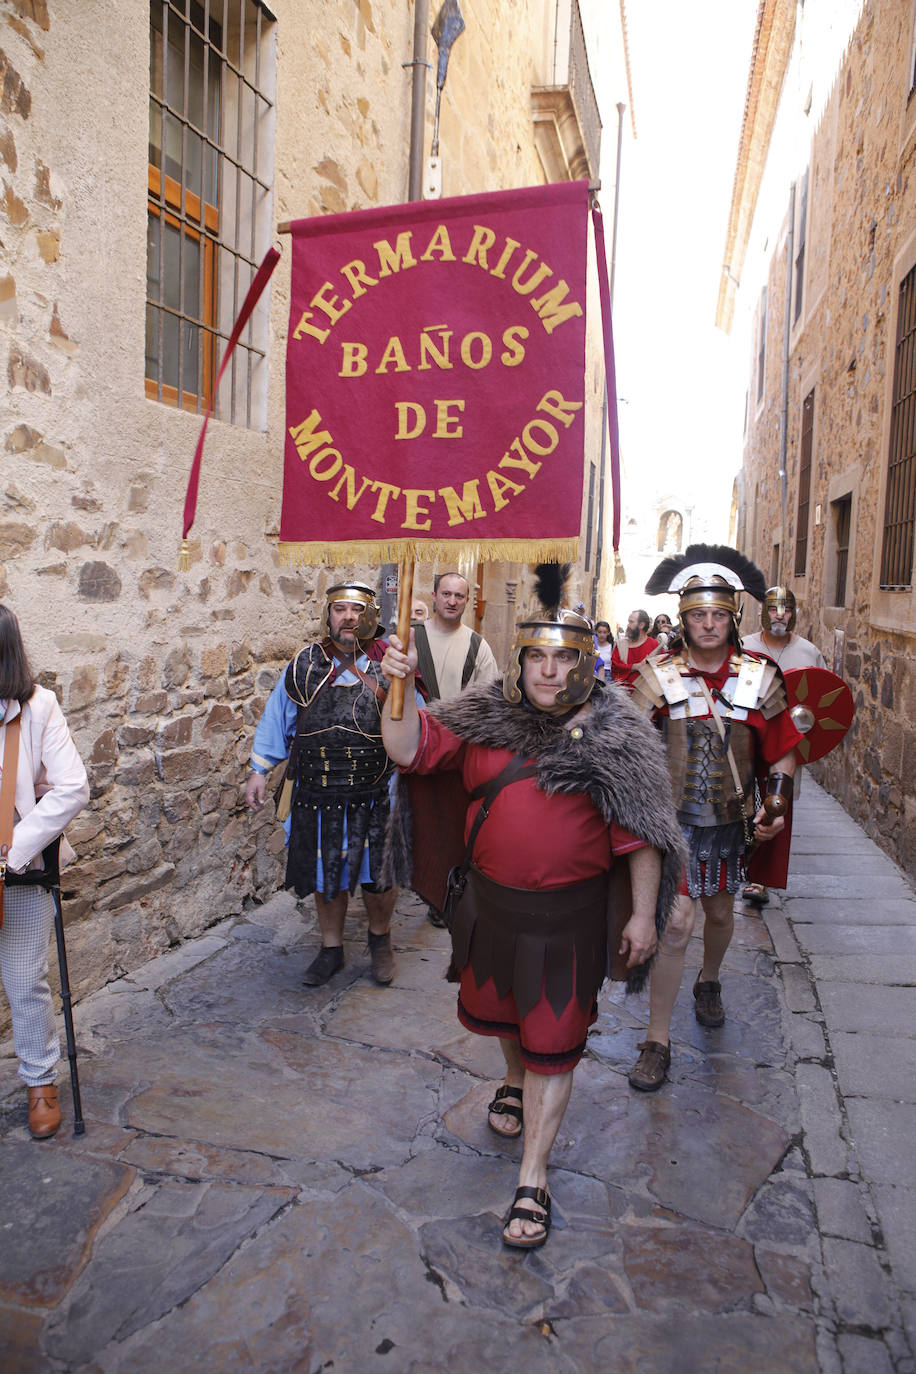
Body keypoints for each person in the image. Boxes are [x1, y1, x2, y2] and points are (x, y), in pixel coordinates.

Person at [381, 565, 684, 1250]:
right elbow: (405, 747)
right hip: (491, 912)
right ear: (518, 662)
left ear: (585, 663)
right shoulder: (482, 715)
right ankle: (510, 1081)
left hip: (568, 922)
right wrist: (398, 684)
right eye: (537, 657)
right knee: (504, 1020)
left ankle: (533, 1176)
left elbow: (642, 832)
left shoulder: (618, 732)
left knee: (555, 1044)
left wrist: (641, 915)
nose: (549, 672)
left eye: (565, 658)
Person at [625, 546, 804, 1092]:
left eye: (719, 615)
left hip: (730, 823)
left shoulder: (760, 675)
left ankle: (710, 979)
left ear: (733, 619)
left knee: (721, 916)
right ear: (683, 619)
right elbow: (629, 749)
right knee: (676, 924)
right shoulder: (655, 675)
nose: (708, 624)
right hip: (670, 823)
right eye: (698, 615)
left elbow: (784, 749)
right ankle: (657, 1039)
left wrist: (775, 803)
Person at [245, 583, 397, 987]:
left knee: (378, 875)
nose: (348, 617)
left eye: (357, 609)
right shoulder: (304, 665)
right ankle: (331, 948)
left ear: (372, 616)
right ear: (327, 615)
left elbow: (414, 728)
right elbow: (277, 719)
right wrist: (259, 770)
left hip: (378, 789)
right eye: (340, 609)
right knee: (326, 871)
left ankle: (380, 940)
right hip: (318, 792)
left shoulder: (392, 665)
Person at [0, 605, 89, 1139]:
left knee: (21, 980)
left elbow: (73, 787)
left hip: (19, 868)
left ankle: (40, 1082)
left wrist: (15, 852)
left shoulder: (37, 707)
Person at [411, 571, 499, 928]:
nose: (451, 601)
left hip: (457, 751)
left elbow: (490, 701)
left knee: (450, 827)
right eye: (445, 594)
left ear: (466, 601)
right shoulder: (409, 638)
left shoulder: (478, 647)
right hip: (412, 745)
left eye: (458, 596)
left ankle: (442, 894)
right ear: (433, 596)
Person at [740, 586, 827, 904]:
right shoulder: (744, 646)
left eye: (787, 610)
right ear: (765, 612)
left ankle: (759, 879)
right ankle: (739, 865)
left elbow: (819, 700)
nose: (780, 615)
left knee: (777, 806)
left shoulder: (809, 652)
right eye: (775, 609)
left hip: (786, 744)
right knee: (744, 802)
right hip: (747, 740)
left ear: (793, 614)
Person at [610, 609, 658, 682]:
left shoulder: (654, 645)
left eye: (631, 622)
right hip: (623, 691)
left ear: (641, 625)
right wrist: (635, 666)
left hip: (646, 692)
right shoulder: (620, 644)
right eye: (628, 622)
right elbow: (615, 667)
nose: (628, 625)